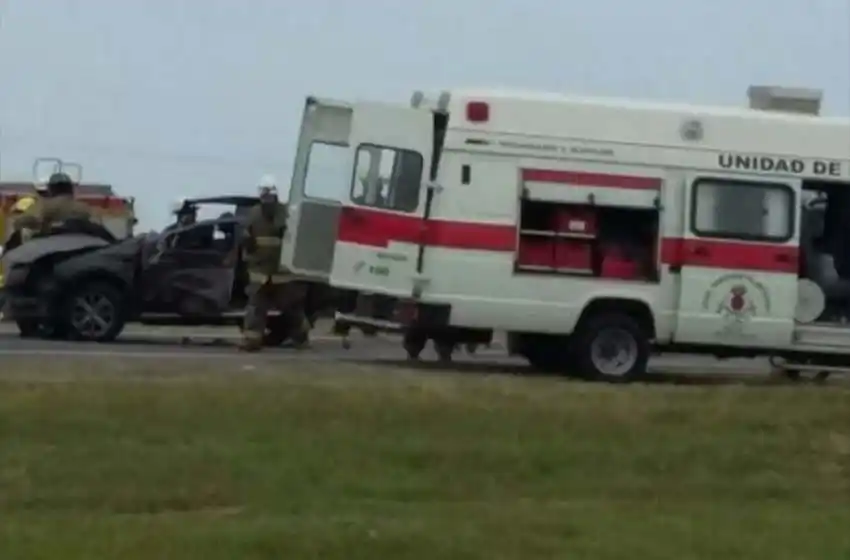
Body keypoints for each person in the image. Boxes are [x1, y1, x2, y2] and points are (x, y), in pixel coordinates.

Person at [239, 174, 310, 351]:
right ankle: (252, 341)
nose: (267, 199)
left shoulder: (286, 214)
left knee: (291, 310)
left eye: (269, 195)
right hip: (260, 273)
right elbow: (246, 238)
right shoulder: (254, 214)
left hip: (281, 274)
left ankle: (301, 338)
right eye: (265, 195)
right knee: (256, 309)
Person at [15, 172, 97, 239]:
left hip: (51, 249)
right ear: (71, 189)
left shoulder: (45, 207)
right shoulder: (85, 208)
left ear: (51, 189)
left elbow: (20, 223)